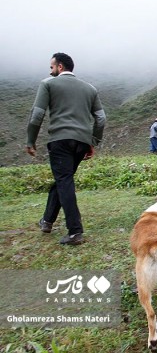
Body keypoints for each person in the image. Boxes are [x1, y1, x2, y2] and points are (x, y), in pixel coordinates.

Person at [26, 52, 106, 246]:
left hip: (60, 140)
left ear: (60, 67)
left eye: (52, 66)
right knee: (64, 180)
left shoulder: (48, 84)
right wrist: (93, 141)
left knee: (64, 181)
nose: (50, 70)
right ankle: (47, 221)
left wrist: (31, 140)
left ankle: (75, 232)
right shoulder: (90, 88)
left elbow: (37, 115)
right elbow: (101, 118)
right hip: (81, 142)